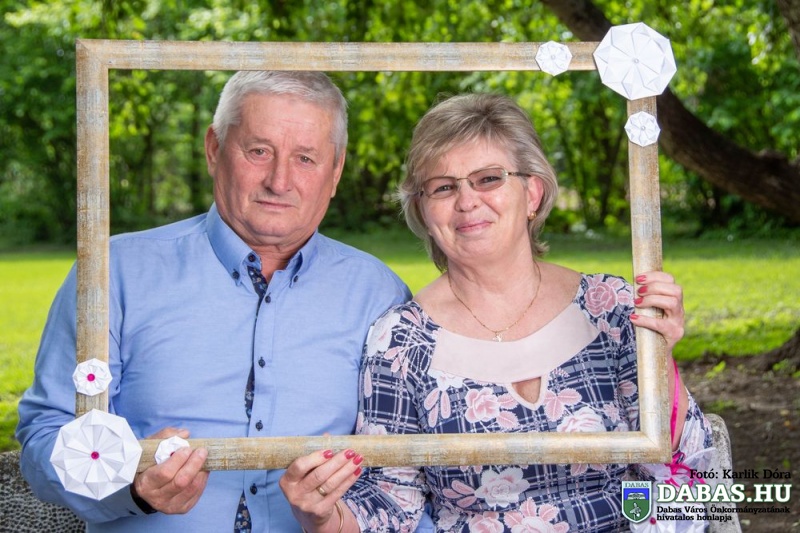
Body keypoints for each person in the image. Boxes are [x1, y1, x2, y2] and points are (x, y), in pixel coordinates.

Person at [278, 93, 713, 532]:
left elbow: (691, 474)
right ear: (424, 211)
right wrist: (322, 516)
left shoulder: (612, 307)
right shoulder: (400, 341)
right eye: (444, 187)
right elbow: (390, 509)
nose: (467, 201)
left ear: (532, 193)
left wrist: (660, 358)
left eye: (488, 179)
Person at [16, 71, 420, 532]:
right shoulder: (113, 273)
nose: (280, 181)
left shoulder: (380, 295)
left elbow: (403, 478)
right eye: (259, 151)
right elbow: (46, 436)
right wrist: (129, 485)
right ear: (214, 149)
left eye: (306, 158)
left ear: (336, 171)